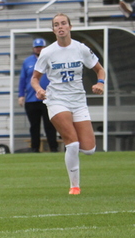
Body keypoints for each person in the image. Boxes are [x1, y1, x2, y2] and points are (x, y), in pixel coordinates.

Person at [31, 14, 106, 195]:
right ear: (53, 30)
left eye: (63, 23)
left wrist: (100, 83)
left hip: (78, 101)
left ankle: (73, 152)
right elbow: (35, 78)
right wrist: (39, 90)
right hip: (57, 100)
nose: (60, 27)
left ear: (70, 26)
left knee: (89, 149)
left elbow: (100, 69)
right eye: (56, 25)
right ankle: (75, 186)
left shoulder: (81, 49)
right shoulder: (47, 52)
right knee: (72, 144)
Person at [18, 38, 58, 153]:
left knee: (50, 125)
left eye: (40, 47)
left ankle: (53, 148)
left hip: (48, 98)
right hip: (31, 99)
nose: (38, 49)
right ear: (33, 48)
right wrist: (21, 95)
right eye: (37, 47)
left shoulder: (50, 60)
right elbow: (22, 80)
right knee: (34, 126)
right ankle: (35, 148)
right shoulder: (27, 62)